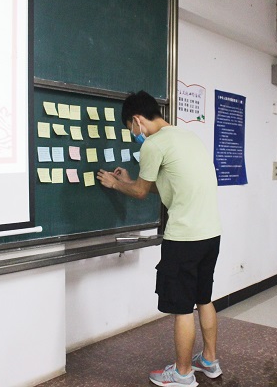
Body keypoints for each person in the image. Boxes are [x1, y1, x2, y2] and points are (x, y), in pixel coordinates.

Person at [97, 91, 223, 387]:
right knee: (204, 299)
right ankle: (209, 361)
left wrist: (115, 184)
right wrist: (130, 181)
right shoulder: (188, 137)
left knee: (182, 308)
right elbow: (168, 183)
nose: (133, 134)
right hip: (210, 234)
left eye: (130, 128)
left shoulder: (154, 144)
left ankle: (182, 373)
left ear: (137, 120)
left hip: (184, 239)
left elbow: (141, 192)